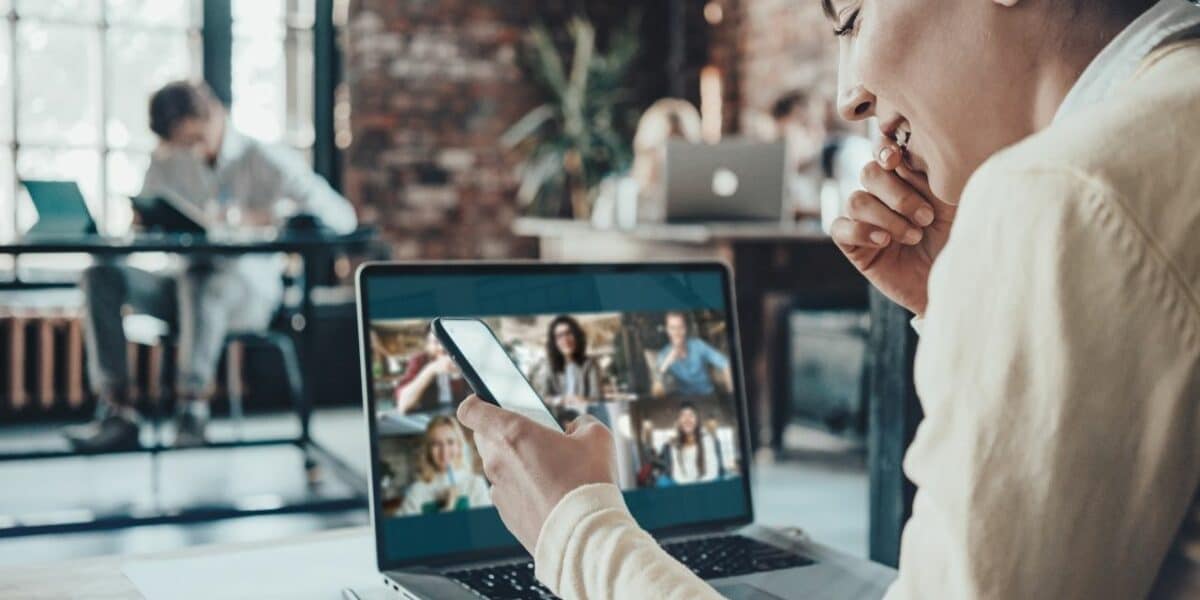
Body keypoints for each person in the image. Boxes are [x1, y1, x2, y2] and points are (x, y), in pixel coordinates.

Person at [456, 0, 1200, 598]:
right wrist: (960, 303)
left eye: (849, 18)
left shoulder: (1061, 196)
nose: (849, 95)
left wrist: (574, 528)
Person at [66, 80, 357, 452]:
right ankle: (117, 411)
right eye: (181, 144)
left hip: (246, 295)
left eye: (195, 139)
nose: (190, 150)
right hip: (180, 287)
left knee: (203, 279)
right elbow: (148, 218)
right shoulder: (168, 158)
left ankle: (192, 410)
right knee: (100, 276)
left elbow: (341, 217)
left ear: (216, 115)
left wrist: (264, 217)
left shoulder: (263, 157)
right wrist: (144, 223)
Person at [771, 89, 873, 219]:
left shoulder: (849, 153)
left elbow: (856, 214)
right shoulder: (789, 172)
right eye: (779, 138)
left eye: (782, 137)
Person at [399, 416, 491, 516]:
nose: (444, 451)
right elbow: (403, 530)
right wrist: (449, 507)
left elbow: (485, 527)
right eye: (436, 444)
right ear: (428, 450)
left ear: (459, 446)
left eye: (450, 442)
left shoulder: (475, 484)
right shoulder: (417, 491)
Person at [395, 326, 470, 415]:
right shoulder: (419, 360)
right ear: (427, 345)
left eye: (448, 342)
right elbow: (403, 405)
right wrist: (431, 369)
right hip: (428, 418)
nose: (442, 348)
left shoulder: (463, 359)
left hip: (456, 417)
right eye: (436, 342)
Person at [655, 312, 732, 396]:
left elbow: (726, 363)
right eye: (672, 328)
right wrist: (666, 363)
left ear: (685, 329)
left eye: (680, 327)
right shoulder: (663, 354)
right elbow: (656, 391)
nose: (677, 332)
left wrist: (731, 393)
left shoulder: (698, 345)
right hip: (685, 398)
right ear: (667, 330)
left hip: (707, 394)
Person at [533, 315, 602, 410]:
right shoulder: (549, 365)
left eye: (569, 333)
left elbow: (597, 398)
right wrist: (561, 400)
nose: (565, 339)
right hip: (559, 416)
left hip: (585, 414)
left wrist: (583, 400)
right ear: (554, 342)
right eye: (559, 336)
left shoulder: (590, 364)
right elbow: (542, 396)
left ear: (577, 336)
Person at [658, 402, 720, 485]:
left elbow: (712, 471)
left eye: (691, 415)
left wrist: (698, 488)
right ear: (679, 421)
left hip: (705, 487)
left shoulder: (707, 440)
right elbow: (677, 475)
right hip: (685, 489)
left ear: (697, 420)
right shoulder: (675, 445)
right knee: (662, 481)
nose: (687, 419)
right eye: (683, 416)